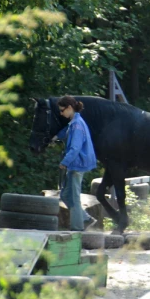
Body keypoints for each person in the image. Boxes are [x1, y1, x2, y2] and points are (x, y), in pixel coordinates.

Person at [56, 96, 98, 231]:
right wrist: (56, 137)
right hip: (76, 163)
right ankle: (86, 219)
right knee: (65, 195)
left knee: (74, 198)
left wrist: (65, 162)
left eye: (62, 110)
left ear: (69, 108)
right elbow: (66, 133)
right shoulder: (75, 122)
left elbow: (75, 148)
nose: (61, 113)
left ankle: (77, 228)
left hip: (77, 164)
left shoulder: (77, 125)